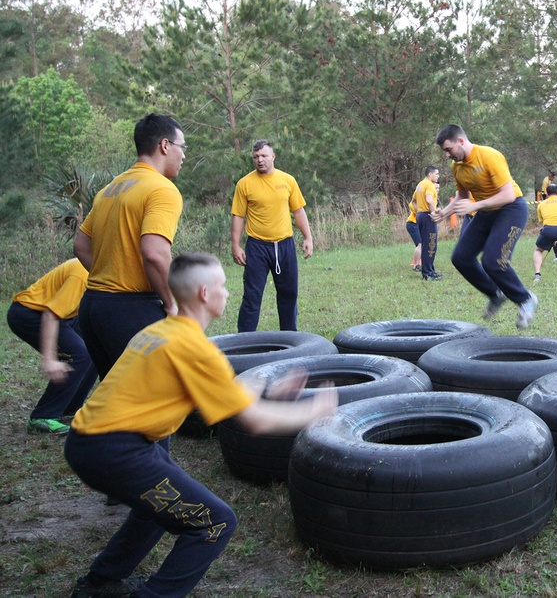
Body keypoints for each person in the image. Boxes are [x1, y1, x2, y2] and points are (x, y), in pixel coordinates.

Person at [64, 253, 338, 598]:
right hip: (115, 450)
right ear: (205, 294)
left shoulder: (163, 331)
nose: (227, 292)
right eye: (222, 286)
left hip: (92, 442)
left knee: (154, 510)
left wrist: (270, 390)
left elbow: (226, 391)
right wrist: (316, 410)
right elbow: (254, 420)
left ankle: (99, 584)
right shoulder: (195, 348)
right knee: (215, 522)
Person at [74, 113, 186, 379]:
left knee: (119, 399)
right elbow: (155, 254)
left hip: (92, 308)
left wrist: (110, 274)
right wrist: (172, 304)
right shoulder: (162, 189)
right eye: (183, 147)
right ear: (165, 145)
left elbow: (80, 245)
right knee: (153, 397)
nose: (183, 156)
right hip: (130, 310)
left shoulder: (110, 189)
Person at [432, 124, 538, 328]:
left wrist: (475, 205)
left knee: (494, 261)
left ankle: (525, 299)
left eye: (448, 149)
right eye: (444, 151)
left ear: (460, 141)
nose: (447, 155)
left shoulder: (489, 156)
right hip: (485, 212)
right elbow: (462, 198)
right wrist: (445, 212)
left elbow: (508, 194)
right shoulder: (458, 167)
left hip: (511, 209)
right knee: (461, 258)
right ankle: (495, 293)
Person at [6, 258, 99, 434]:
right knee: (80, 354)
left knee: (93, 350)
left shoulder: (99, 270)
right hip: (30, 314)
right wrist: (49, 359)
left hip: (64, 316)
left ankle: (71, 408)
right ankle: (42, 417)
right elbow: (51, 314)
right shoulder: (82, 272)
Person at [231, 139, 313, 332]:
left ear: (273, 157)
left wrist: (308, 238)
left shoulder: (287, 180)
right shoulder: (245, 184)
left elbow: (299, 211)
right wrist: (235, 245)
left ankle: (289, 337)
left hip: (285, 245)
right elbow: (238, 216)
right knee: (252, 296)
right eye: (256, 157)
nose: (260, 160)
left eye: (264, 156)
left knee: (289, 294)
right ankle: (244, 340)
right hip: (257, 247)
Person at [413, 165, 442, 280]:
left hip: (421, 215)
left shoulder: (420, 184)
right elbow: (429, 200)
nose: (438, 176)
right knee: (431, 245)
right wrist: (433, 214)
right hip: (427, 216)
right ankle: (427, 273)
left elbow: (413, 201)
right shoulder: (429, 185)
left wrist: (418, 211)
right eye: (436, 174)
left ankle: (430, 270)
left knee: (426, 245)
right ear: (430, 175)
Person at [405, 199, 422, 271]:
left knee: (423, 245)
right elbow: (411, 204)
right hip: (413, 224)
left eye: (438, 188)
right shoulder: (420, 195)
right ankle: (415, 265)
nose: (437, 190)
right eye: (436, 188)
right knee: (420, 244)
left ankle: (423, 264)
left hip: (419, 224)